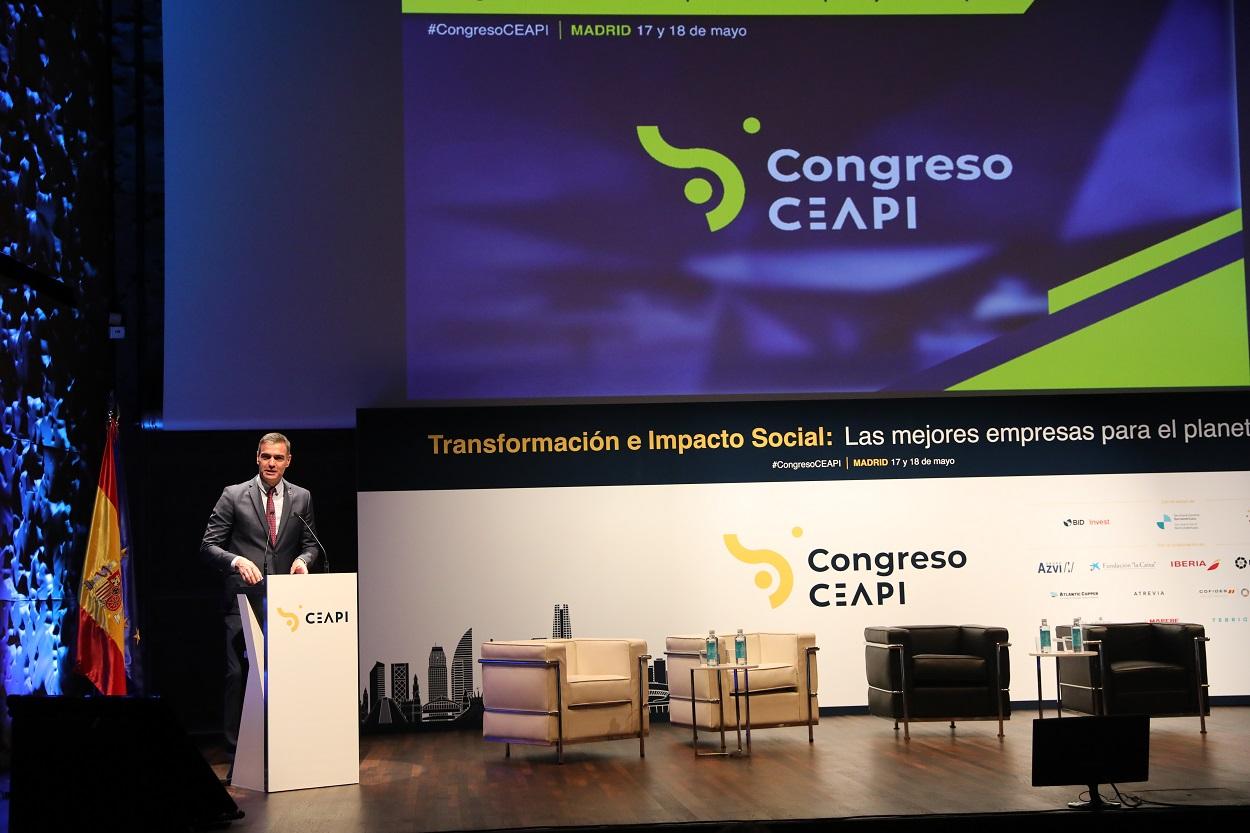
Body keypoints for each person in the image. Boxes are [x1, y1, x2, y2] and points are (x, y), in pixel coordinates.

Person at [200, 432, 320, 759]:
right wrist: (236, 561)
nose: (271, 463)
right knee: (238, 673)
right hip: (241, 600)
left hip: (284, 604)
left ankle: (281, 743)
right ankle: (236, 749)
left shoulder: (302, 498)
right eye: (266, 456)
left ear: (288, 461)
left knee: (282, 672)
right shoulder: (234, 495)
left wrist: (301, 560)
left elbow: (310, 545)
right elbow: (208, 546)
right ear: (257, 457)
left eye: (278, 458)